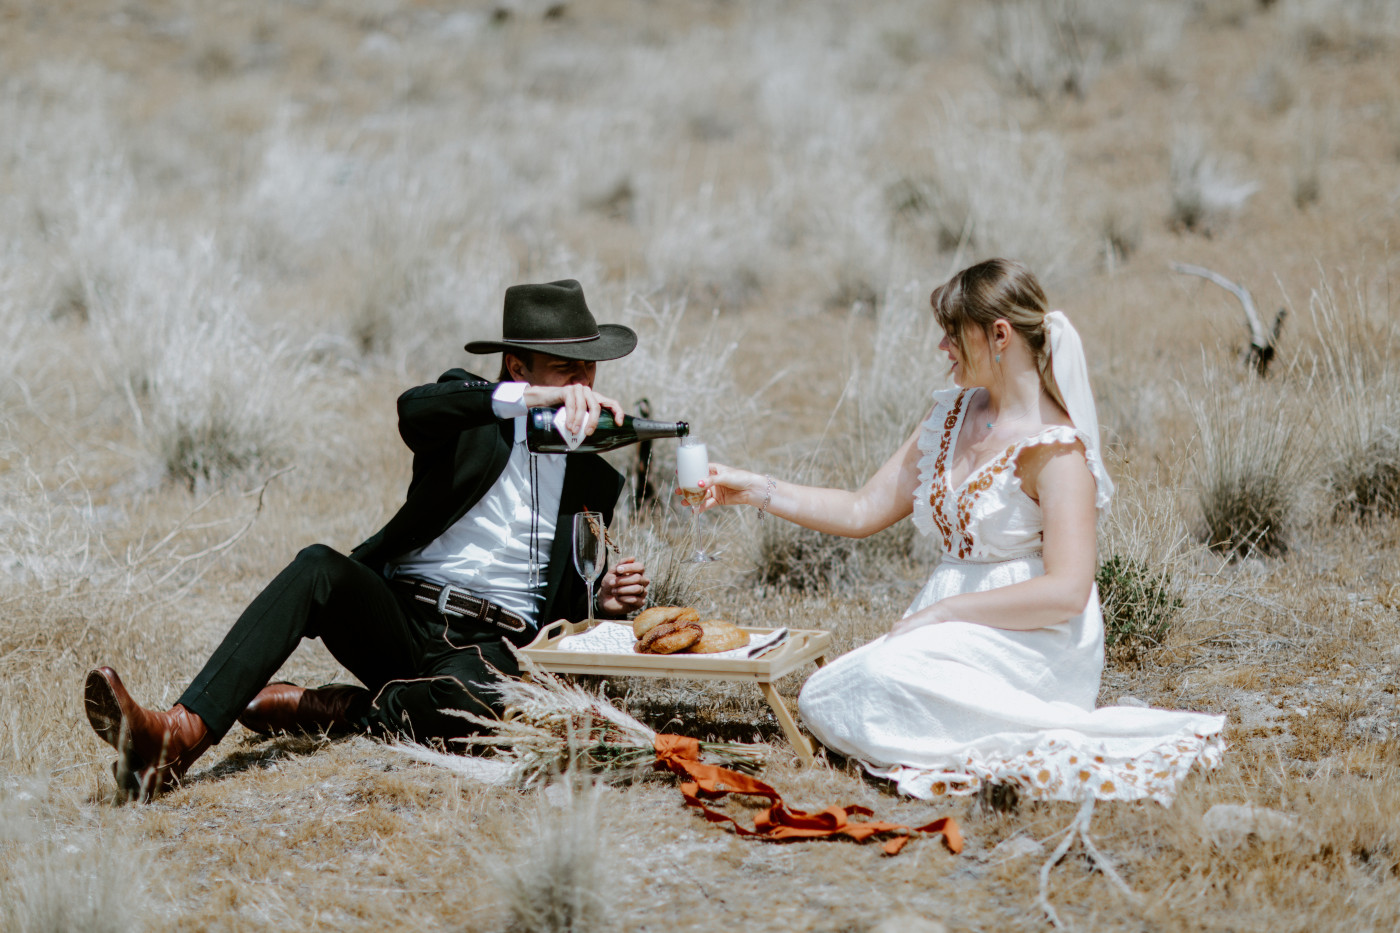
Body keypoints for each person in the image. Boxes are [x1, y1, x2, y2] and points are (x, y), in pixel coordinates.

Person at [84, 278, 651, 802]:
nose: (581, 385)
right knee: (317, 567)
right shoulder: (469, 409)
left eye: (589, 371)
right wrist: (525, 401)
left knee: (483, 710)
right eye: (563, 369)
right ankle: (176, 736)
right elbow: (413, 408)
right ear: (516, 366)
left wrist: (599, 600)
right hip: (401, 615)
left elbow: (556, 603)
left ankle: (339, 709)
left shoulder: (594, 474)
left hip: (488, 650)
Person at [697, 259, 1224, 803]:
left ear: (999, 335)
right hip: (945, 624)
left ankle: (1014, 731)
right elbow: (860, 510)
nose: (942, 348)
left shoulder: (1056, 449)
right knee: (824, 693)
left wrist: (943, 612)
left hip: (1033, 638)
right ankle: (949, 727)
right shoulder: (950, 415)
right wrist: (751, 489)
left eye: (953, 334)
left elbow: (1067, 592)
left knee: (871, 682)